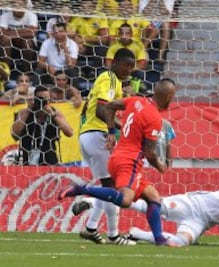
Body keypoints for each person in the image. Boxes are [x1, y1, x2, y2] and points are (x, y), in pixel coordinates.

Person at [58, 78, 177, 247]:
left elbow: (110, 106)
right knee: (125, 200)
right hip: (130, 161)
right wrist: (159, 165)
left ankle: (159, 238)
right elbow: (150, 153)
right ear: (169, 96)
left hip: (118, 156)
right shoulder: (155, 119)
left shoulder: (136, 101)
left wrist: (112, 131)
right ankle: (80, 189)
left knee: (153, 197)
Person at [63, 48, 136, 246]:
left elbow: (95, 108)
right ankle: (112, 234)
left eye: (132, 67)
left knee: (108, 185)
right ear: (115, 62)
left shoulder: (113, 81)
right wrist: (113, 132)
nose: (129, 70)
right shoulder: (110, 78)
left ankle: (91, 228)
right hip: (99, 134)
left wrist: (124, 127)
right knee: (113, 188)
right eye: (126, 65)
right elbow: (101, 109)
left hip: (89, 135)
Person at [10, 85, 73, 165]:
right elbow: (14, 134)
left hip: (49, 157)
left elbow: (69, 133)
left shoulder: (55, 113)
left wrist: (53, 116)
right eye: (41, 99)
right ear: (35, 99)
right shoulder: (24, 112)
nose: (44, 102)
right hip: (27, 156)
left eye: (47, 99)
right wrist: (28, 110)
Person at [35, 22, 79, 87]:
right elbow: (39, 62)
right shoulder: (46, 43)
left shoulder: (73, 45)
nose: (58, 34)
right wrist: (48, 67)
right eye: (56, 32)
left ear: (66, 32)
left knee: (73, 72)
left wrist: (66, 52)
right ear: (53, 33)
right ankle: (36, 90)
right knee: (38, 70)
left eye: (61, 31)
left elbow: (71, 66)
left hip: (65, 70)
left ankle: (75, 93)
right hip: (50, 70)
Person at [0, 0, 38, 72]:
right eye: (16, 6)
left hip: (24, 41)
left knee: (27, 43)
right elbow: (2, 33)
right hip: (11, 42)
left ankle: (26, 71)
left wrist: (11, 33)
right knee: (5, 41)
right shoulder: (5, 16)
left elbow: (32, 32)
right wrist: (24, 31)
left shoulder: (31, 15)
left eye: (21, 6)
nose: (19, 8)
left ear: (25, 6)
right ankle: (6, 71)